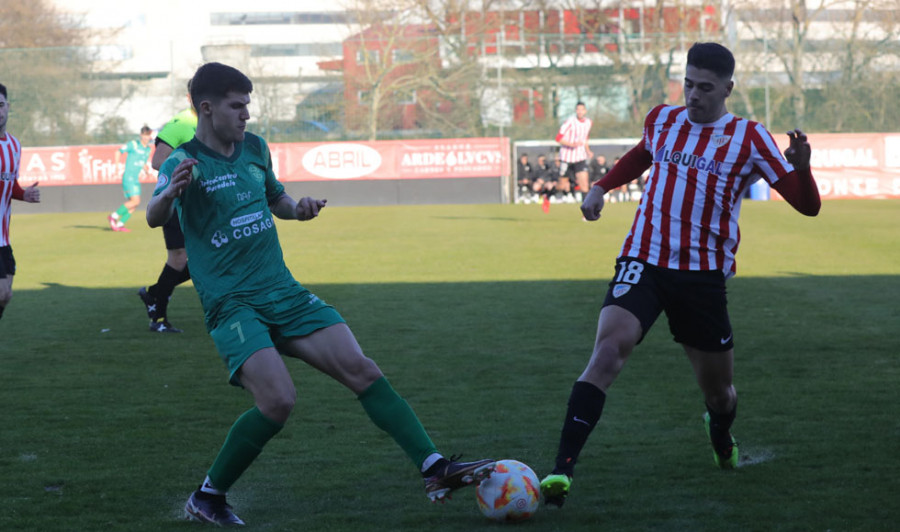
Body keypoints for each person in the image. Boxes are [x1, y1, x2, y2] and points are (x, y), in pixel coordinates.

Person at [146, 62, 495, 526]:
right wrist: (170, 193)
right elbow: (153, 215)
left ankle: (435, 469)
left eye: (248, 105)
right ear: (206, 108)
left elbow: (276, 199)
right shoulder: (181, 160)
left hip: (282, 291)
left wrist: (299, 208)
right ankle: (208, 496)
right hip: (232, 303)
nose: (246, 115)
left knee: (362, 369)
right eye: (237, 106)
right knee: (278, 401)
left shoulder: (254, 148)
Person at [539, 42, 821, 508]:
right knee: (608, 352)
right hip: (643, 259)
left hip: (702, 277)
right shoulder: (663, 119)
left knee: (720, 396)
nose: (692, 95)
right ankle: (560, 472)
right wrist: (602, 188)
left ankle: (719, 432)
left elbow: (807, 206)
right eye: (687, 84)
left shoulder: (750, 138)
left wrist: (803, 170)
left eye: (704, 88)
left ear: (728, 89)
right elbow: (640, 154)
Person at [137, 86, 197, 333]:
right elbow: (158, 161)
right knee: (179, 258)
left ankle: (155, 295)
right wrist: (185, 173)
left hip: (198, 204)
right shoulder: (181, 123)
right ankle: (158, 316)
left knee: (209, 254)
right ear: (190, 97)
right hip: (176, 201)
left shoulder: (211, 123)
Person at [0, 83, 40, 322]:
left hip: (3, 237)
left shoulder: (14, 145)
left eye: (1, 105)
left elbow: (11, 184)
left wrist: (23, 194)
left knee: (6, 296)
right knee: (2, 292)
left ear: (8, 107)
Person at [107, 125, 154, 233]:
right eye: (145, 135)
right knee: (135, 201)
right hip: (128, 177)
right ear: (141, 135)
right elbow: (118, 152)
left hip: (135, 179)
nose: (146, 137)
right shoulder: (134, 144)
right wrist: (117, 166)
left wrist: (146, 170)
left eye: (148, 135)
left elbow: (142, 162)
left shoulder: (148, 149)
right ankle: (113, 216)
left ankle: (120, 224)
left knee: (135, 203)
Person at [556, 101, 593, 201]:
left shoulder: (589, 122)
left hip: (580, 157)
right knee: (562, 185)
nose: (580, 112)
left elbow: (585, 138)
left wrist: (588, 150)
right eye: (578, 109)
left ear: (585, 111)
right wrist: (572, 144)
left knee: (584, 185)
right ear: (575, 111)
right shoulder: (570, 122)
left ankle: (585, 213)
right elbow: (558, 138)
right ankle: (547, 194)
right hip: (566, 158)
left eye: (582, 109)